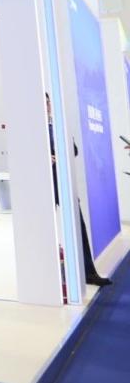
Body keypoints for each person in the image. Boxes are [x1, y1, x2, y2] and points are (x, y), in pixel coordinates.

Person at [46, 93, 111, 287]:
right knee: (49, 232)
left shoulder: (58, 125)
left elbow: (73, 150)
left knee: (78, 228)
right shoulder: (32, 129)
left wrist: (59, 153)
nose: (47, 105)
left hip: (63, 182)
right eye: (44, 102)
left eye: (48, 101)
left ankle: (88, 272)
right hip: (44, 187)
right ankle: (53, 276)